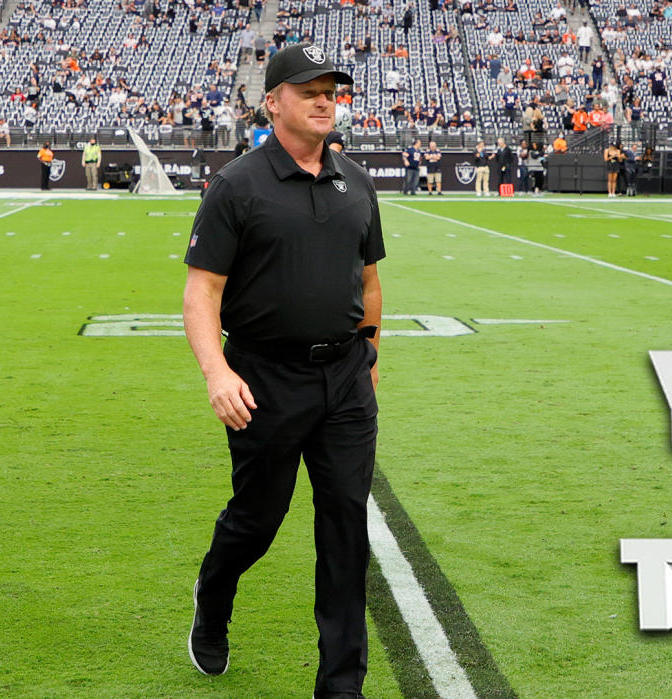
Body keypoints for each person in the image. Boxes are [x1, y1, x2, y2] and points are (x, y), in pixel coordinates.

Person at [182, 43, 385, 698]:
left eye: (332, 89)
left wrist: (372, 353)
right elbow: (201, 291)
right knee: (258, 519)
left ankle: (341, 685)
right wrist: (217, 372)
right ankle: (213, 596)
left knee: (346, 524)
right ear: (273, 102)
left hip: (346, 378)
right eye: (309, 90)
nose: (326, 99)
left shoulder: (357, 181)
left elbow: (370, 278)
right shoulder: (238, 185)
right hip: (265, 380)